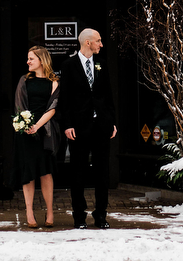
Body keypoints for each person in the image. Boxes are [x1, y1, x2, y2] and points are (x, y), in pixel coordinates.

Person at [59, 28, 116, 229]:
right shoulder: (68, 66)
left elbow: (108, 94)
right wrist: (67, 125)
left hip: (101, 126)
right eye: (98, 41)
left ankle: (101, 215)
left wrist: (112, 122)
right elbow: (64, 98)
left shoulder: (102, 64)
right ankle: (79, 217)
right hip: (78, 128)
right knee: (78, 173)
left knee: (102, 172)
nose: (101, 44)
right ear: (88, 43)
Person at [13, 45, 60, 228]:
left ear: (41, 60)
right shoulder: (24, 80)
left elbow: (53, 107)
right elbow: (19, 105)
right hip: (26, 133)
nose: (28, 62)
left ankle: (50, 211)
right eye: (28, 58)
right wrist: (24, 125)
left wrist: (37, 126)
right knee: (29, 173)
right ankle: (29, 211)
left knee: (46, 173)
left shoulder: (54, 82)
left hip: (46, 132)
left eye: (31, 58)